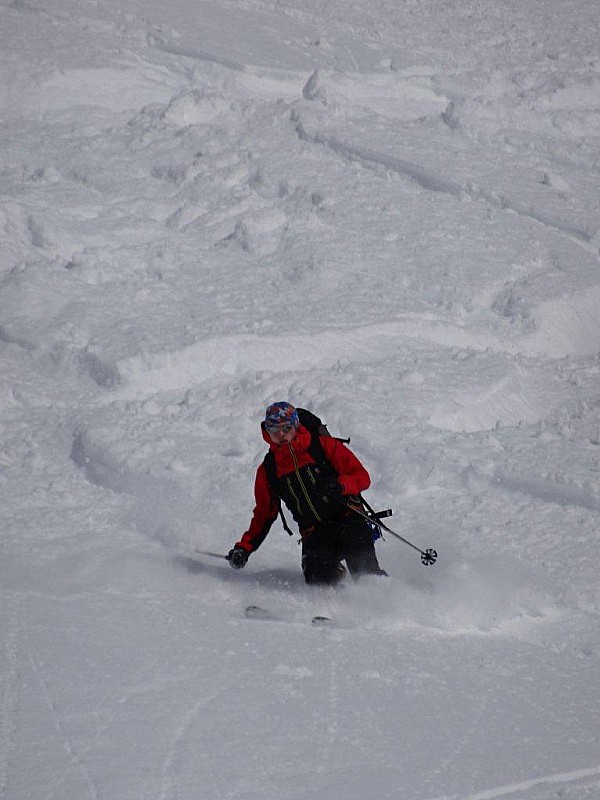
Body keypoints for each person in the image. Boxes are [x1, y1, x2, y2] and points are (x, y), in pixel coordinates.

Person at [227, 402, 386, 585]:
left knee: (367, 576)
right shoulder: (269, 469)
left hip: (349, 520)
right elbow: (264, 513)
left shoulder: (323, 446)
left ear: (295, 426)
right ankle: (334, 606)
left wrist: (340, 485)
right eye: (274, 430)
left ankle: (390, 604)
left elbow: (362, 477)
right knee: (318, 583)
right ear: (267, 432)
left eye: (286, 428)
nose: (280, 435)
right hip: (315, 534)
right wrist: (244, 548)